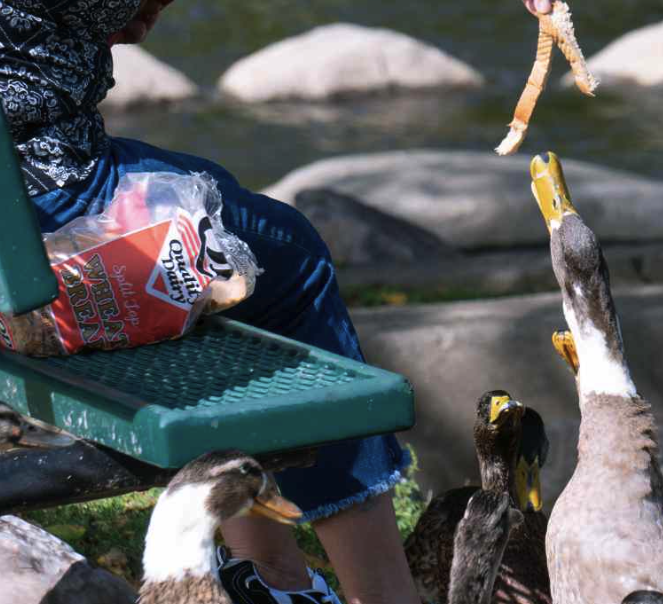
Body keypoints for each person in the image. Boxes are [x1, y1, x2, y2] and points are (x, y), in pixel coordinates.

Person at [0, 0, 550, 603]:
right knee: (287, 260)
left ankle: (265, 568)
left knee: (217, 205)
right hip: (42, 207)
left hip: (24, 197)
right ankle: (378, 591)